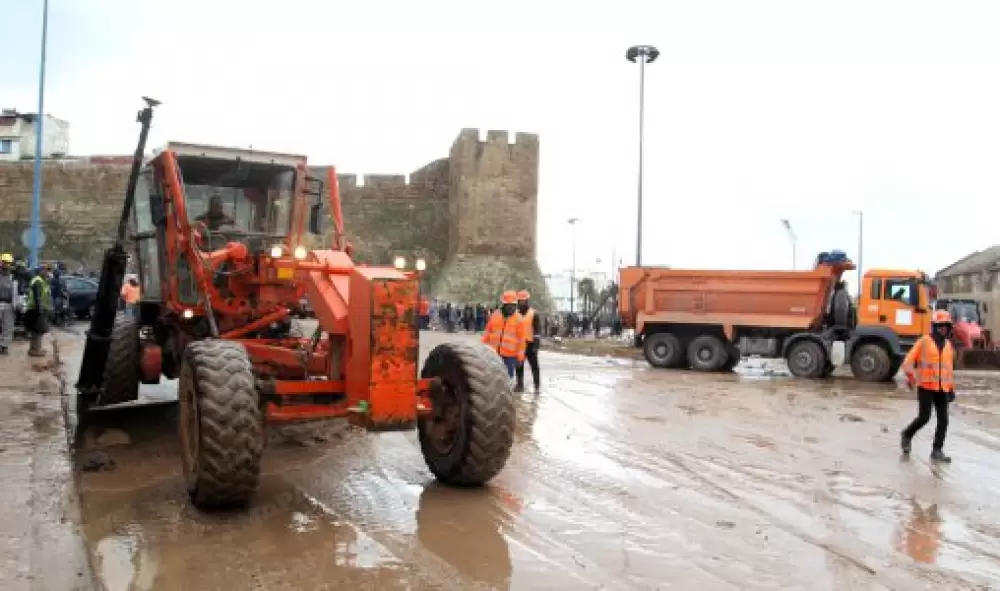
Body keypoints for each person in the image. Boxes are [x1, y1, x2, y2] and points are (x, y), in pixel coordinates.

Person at [900, 309, 956, 462]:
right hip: (925, 386)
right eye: (940, 326)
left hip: (942, 389)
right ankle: (907, 434)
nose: (943, 329)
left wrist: (951, 389)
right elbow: (907, 362)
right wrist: (912, 378)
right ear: (934, 326)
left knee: (943, 420)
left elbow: (949, 369)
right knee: (924, 417)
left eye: (945, 326)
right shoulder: (924, 341)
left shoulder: (948, 346)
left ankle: (937, 450)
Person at [481, 291, 526, 379]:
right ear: (503, 305)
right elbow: (487, 332)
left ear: (516, 305)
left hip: (510, 356)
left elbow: (521, 340)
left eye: (513, 305)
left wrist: (520, 357)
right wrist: (482, 348)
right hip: (493, 354)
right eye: (508, 305)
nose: (511, 308)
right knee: (491, 377)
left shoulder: (519, 319)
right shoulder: (495, 315)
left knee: (507, 378)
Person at [514, 290, 542, 392]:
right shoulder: (515, 314)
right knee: (519, 366)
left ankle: (537, 386)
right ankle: (519, 385)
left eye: (524, 300)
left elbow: (537, 330)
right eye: (520, 301)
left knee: (534, 366)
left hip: (530, 344)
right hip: (519, 344)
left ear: (527, 301)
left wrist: (536, 344)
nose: (522, 303)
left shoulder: (533, 314)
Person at [25, 266, 52, 357]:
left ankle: (35, 348)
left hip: (38, 308)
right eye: (45, 270)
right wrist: (40, 310)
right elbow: (37, 297)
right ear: (40, 271)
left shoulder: (43, 281)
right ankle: (35, 350)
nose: (47, 273)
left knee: (37, 330)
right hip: (36, 309)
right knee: (38, 330)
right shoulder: (38, 281)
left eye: (48, 271)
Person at [0, 254, 16, 355]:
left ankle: (4, 346)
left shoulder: (12, 277)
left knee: (8, 326)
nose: (7, 265)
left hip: (8, 304)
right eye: (5, 262)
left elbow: (15, 291)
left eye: (8, 263)